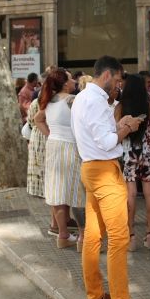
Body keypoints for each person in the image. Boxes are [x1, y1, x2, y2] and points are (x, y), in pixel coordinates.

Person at [71, 55, 150, 299]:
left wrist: (120, 126)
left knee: (93, 236)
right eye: (118, 80)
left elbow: (100, 136)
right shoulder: (96, 101)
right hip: (104, 171)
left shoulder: (84, 98)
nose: (119, 86)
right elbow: (108, 141)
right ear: (107, 75)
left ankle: (97, 296)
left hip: (92, 168)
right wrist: (127, 128)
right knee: (118, 240)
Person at [35, 69, 85, 250]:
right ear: (65, 83)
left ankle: (63, 235)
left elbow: (37, 119)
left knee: (57, 192)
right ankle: (82, 237)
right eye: (71, 79)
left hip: (54, 146)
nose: (74, 81)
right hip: (71, 147)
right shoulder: (73, 100)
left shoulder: (48, 101)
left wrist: (51, 134)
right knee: (78, 193)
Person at [114, 73, 150, 251]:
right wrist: (149, 128)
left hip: (129, 154)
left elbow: (116, 132)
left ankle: (131, 236)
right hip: (148, 152)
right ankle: (149, 234)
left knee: (131, 193)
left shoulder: (120, 107)